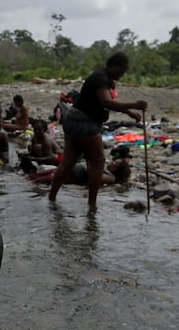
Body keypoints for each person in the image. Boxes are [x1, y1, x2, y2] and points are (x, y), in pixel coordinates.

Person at [47, 52, 147, 211]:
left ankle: (51, 198)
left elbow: (108, 102)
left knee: (67, 162)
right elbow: (106, 101)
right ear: (114, 66)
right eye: (122, 71)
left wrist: (128, 111)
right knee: (97, 162)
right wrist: (134, 105)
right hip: (85, 121)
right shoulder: (101, 78)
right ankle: (92, 206)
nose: (122, 74)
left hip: (74, 118)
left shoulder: (104, 77)